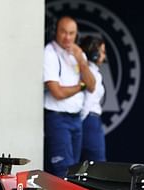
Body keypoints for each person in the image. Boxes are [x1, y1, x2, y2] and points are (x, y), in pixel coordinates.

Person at [43, 16, 96, 177]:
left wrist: (81, 60)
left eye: (71, 33)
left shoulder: (78, 54)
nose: (67, 37)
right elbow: (57, 92)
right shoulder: (50, 52)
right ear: (56, 32)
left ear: (76, 35)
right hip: (57, 119)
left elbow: (92, 85)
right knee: (63, 171)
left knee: (75, 171)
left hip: (76, 119)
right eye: (63, 32)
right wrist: (81, 86)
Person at [80, 35, 106, 162]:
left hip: (89, 121)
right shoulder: (91, 73)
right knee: (97, 164)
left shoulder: (91, 71)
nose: (103, 55)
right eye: (102, 52)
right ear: (94, 53)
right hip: (89, 120)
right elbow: (88, 101)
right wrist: (80, 121)